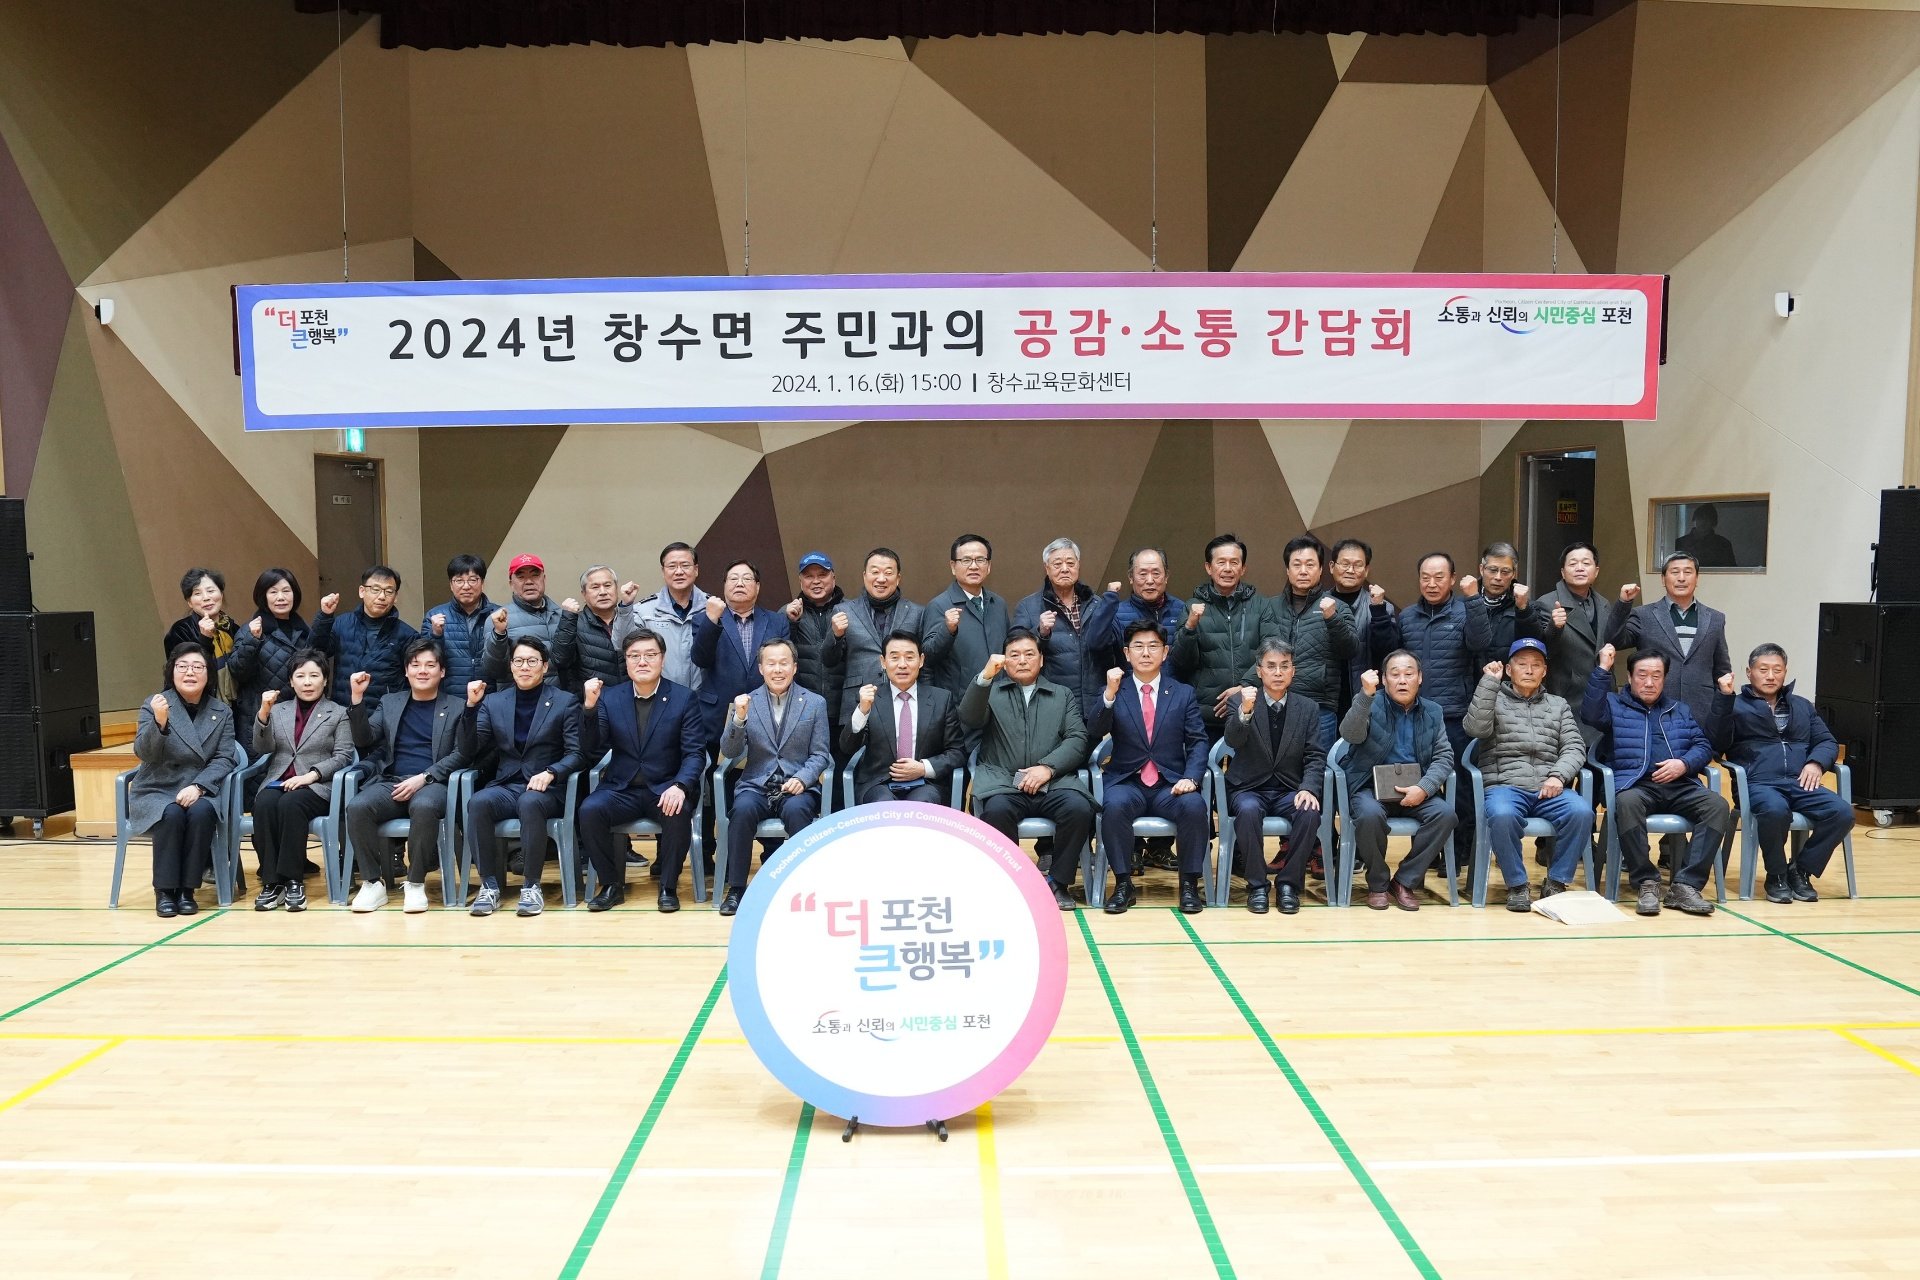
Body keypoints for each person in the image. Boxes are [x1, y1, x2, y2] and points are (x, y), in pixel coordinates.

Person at [1581, 646, 1730, 917]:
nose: (1649, 682)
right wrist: (1603, 669)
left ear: (1664, 679)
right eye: (1642, 675)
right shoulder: (1614, 705)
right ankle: (1646, 882)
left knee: (1717, 806)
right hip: (1636, 786)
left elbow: (1702, 746)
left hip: (1680, 786)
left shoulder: (1679, 710)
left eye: (1656, 676)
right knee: (1627, 803)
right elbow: (1590, 714)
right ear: (1629, 677)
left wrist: (1684, 764)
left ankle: (1685, 885)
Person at [959, 628, 1094, 911]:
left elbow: (1077, 738)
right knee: (996, 811)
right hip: (1004, 782)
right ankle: (1016, 883)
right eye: (1014, 655)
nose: (1022, 660)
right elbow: (969, 718)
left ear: (1041, 660)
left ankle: (1058, 883)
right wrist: (985, 677)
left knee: (1079, 809)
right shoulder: (991, 693)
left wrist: (1047, 768)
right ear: (1004, 661)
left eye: (1029, 654)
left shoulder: (1061, 694)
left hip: (1053, 782)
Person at [1708, 644, 1851, 903]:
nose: (1770, 676)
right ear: (1749, 672)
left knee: (1842, 813)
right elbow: (1716, 743)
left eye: (1777, 670)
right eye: (1763, 670)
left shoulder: (1802, 706)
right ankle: (1776, 875)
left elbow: (1827, 742)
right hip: (1757, 784)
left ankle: (1801, 870)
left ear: (1785, 672)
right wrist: (1724, 698)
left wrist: (1816, 763)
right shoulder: (1735, 705)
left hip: (1800, 782)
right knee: (1775, 810)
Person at [577, 630, 708, 913]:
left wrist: (681, 786)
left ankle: (668, 887)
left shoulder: (683, 698)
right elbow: (591, 748)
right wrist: (589, 708)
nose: (642, 661)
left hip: (665, 787)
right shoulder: (610, 697)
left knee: (677, 811)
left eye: (650, 655)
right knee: (589, 810)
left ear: (662, 659)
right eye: (634, 656)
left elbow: (695, 753)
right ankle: (611, 885)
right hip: (621, 789)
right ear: (625, 661)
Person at [456, 637, 585, 918]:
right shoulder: (494, 702)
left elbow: (577, 753)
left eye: (532, 661)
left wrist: (552, 772)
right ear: (511, 666)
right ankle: (489, 885)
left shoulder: (565, 702)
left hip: (548, 789)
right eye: (519, 661)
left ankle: (531, 886)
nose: (525, 667)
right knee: (478, 802)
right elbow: (469, 749)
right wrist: (471, 707)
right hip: (508, 784)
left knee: (530, 802)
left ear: (545, 666)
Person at [1461, 639, 1593, 911]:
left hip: (1549, 787)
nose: (1529, 670)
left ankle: (1557, 881)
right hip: (1504, 786)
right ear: (1509, 670)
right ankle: (1517, 885)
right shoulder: (1493, 698)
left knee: (1581, 812)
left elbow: (1574, 747)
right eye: (1522, 664)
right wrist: (1488, 684)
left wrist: (1558, 776)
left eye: (1536, 665)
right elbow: (1475, 729)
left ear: (1545, 671)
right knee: (1502, 815)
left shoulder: (1558, 705)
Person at [1385, 552, 1492, 878]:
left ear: (1452, 579)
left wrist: (1474, 600)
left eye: (1439, 577)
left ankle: (1458, 854)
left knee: (1459, 787)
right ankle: (1426, 853)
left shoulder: (1466, 610)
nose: (1432, 583)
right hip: (1414, 714)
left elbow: (1481, 642)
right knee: (1417, 784)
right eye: (1425, 577)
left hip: (1455, 713)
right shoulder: (1407, 617)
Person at [345, 636, 471, 913]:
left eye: (430, 665)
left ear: (442, 671)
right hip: (392, 782)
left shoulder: (457, 706)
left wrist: (424, 777)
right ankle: (372, 883)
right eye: (415, 665)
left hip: (433, 783)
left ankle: (415, 884)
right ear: (406, 671)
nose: (422, 671)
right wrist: (357, 698)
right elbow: (364, 740)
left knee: (424, 806)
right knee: (358, 807)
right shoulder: (390, 702)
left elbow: (462, 753)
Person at [1092, 619, 1211, 915]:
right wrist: (1109, 694)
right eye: (1138, 647)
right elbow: (1094, 730)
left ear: (1165, 652)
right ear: (1126, 653)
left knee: (1194, 806)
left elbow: (1198, 741)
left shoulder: (1182, 693)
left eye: (1153, 646)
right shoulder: (1115, 690)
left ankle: (1189, 885)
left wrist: (1191, 777)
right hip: (1127, 781)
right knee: (1113, 806)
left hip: (1169, 785)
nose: (1146, 653)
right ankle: (1123, 884)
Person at [716, 638, 832, 916]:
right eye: (771, 664)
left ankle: (803, 888)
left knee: (798, 812)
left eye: (783, 663)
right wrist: (739, 719)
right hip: (756, 785)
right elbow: (729, 751)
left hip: (796, 786)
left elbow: (821, 754)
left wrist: (803, 779)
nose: (777, 670)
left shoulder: (814, 703)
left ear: (794, 667)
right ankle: (736, 888)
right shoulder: (745, 702)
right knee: (741, 811)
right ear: (761, 668)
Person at [1338, 652, 1456, 912]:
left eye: (1409, 674)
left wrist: (1424, 788)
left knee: (1445, 815)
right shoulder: (1369, 702)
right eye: (1395, 674)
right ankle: (1377, 883)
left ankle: (1403, 881)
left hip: (1415, 789)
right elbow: (1350, 734)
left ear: (1420, 678)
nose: (1402, 680)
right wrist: (1365, 696)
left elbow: (1444, 756)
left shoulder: (1433, 711)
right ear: (1384, 679)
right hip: (1369, 787)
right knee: (1369, 815)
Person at [130, 645, 239, 917]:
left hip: (200, 787)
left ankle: (187, 890)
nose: (190, 672)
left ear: (208, 674)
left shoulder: (222, 711)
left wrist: (199, 786)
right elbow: (144, 753)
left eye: (197, 667)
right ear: (172, 672)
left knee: (202, 812)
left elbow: (225, 758)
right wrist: (160, 723)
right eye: (182, 666)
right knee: (171, 814)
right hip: (157, 787)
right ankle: (165, 891)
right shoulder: (155, 704)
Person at [1222, 639, 1327, 916]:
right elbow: (1232, 740)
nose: (1278, 672)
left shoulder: (1307, 708)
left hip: (1289, 789)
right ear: (1259, 671)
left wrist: (1309, 788)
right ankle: (1257, 886)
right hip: (1248, 788)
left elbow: (1315, 755)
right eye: (1271, 666)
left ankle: (1288, 885)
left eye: (1284, 666)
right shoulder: (1240, 700)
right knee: (1247, 811)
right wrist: (1245, 711)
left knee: (1309, 812)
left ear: (1293, 670)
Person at [247, 649, 352, 913]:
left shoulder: (338, 713)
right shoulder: (278, 710)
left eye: (314, 676)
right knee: (264, 803)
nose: (307, 682)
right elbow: (262, 747)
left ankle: (293, 881)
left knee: (291, 804)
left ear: (325, 680)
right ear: (291, 681)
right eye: (300, 676)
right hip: (279, 780)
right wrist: (263, 713)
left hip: (317, 786)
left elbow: (343, 756)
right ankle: (272, 882)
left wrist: (311, 775)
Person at [840, 629, 964, 805]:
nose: (902, 664)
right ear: (883, 662)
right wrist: (862, 711)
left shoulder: (941, 699)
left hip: (925, 783)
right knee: (884, 806)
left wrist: (923, 768)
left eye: (909, 657)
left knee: (921, 805)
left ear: (921, 660)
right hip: (879, 784)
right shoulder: (870, 698)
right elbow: (847, 747)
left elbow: (957, 752)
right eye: (895, 657)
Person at [1255, 536, 1355, 749]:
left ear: (1321, 570)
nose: (1303, 571)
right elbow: (1257, 652)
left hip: (1320, 705)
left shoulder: (1338, 607)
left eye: (1310, 565)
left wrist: (1332, 619)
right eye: (1296, 565)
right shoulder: (1269, 607)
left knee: (1318, 765)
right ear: (1287, 570)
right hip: (1274, 702)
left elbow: (1350, 650)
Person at [1172, 533, 1275, 740]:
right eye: (1221, 562)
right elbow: (1182, 662)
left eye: (1234, 562)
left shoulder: (1261, 606)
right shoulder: (1192, 607)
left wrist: (1244, 687)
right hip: (1207, 714)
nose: (1228, 568)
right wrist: (1190, 627)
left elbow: (1272, 654)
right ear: (1208, 567)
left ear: (1243, 568)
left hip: (1251, 708)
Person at [1011, 537, 1117, 724]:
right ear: (1047, 568)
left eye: (1070, 563)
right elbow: (1014, 651)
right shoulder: (1028, 607)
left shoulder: (1097, 604)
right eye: (1057, 564)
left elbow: (1112, 652)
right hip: (1052, 706)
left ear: (1079, 565)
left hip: (1095, 704)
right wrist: (1040, 632)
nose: (1065, 569)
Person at [830, 548, 926, 724]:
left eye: (888, 573)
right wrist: (836, 636)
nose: (881, 579)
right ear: (864, 575)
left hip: (905, 702)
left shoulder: (917, 612)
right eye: (875, 572)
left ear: (898, 578)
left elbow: (924, 662)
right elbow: (829, 660)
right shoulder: (844, 611)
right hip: (857, 701)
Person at [616, 542, 713, 715]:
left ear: (696, 570)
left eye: (685, 565)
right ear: (663, 571)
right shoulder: (645, 610)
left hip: (704, 703)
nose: (679, 571)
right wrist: (625, 607)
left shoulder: (713, 608)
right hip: (660, 702)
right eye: (672, 566)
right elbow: (621, 644)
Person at [921, 534, 1012, 715]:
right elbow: (927, 657)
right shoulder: (939, 605)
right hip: (959, 706)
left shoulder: (998, 604)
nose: (974, 566)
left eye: (980, 560)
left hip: (999, 703)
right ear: (953, 566)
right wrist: (948, 630)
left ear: (989, 566)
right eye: (966, 560)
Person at [783, 552, 848, 805]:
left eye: (822, 574)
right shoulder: (789, 613)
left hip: (841, 710)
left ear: (834, 577)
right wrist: (790, 623)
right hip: (802, 712)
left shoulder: (849, 611)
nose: (816, 581)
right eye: (809, 576)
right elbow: (777, 658)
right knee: (804, 776)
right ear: (800, 581)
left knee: (841, 776)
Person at [310, 565, 419, 704]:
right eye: (375, 589)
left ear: (395, 597)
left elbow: (413, 681)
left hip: (384, 712)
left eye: (389, 591)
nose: (382, 596)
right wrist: (325, 616)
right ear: (362, 591)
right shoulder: (342, 623)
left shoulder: (408, 635)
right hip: (343, 708)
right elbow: (315, 652)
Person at [1530, 542, 1607, 732]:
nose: (1580, 568)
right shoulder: (1547, 603)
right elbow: (1542, 652)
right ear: (1563, 573)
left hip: (1600, 694)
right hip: (1567, 696)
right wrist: (1554, 627)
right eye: (1573, 564)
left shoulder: (1604, 604)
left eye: (1586, 563)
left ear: (1596, 571)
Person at [228, 567, 312, 735]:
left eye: (286, 591)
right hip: (261, 717)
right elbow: (238, 672)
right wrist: (252, 639)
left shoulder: (305, 631)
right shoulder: (249, 630)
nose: (280, 597)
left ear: (294, 595)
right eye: (273, 592)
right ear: (263, 596)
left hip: (300, 717)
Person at [1326, 537, 1398, 716]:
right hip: (1326, 699)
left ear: (1366, 570)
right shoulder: (1317, 605)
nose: (1350, 570)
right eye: (1345, 564)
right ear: (1331, 567)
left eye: (1358, 565)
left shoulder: (1382, 607)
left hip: (1367, 697)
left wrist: (1378, 610)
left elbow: (1388, 654)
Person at [164, 568, 244, 709]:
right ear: (189, 602)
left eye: (211, 591)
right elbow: (184, 674)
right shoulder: (180, 630)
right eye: (197, 593)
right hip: (198, 707)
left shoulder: (234, 629)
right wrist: (205, 639)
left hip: (237, 706)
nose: (206, 597)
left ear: (221, 594)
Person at [484, 553, 566, 687]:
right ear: (511, 584)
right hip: (517, 696)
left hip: (558, 696)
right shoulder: (499, 619)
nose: (529, 582)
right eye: (521, 577)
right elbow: (494, 671)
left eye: (535, 575)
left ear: (544, 579)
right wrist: (499, 634)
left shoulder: (561, 615)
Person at [421, 554, 494, 693]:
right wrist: (436, 634)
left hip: (489, 694)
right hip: (449, 696)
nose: (466, 586)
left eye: (473, 580)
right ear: (451, 585)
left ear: (482, 583)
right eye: (459, 580)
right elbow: (426, 659)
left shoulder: (497, 615)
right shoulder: (434, 616)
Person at [556, 564, 626, 691]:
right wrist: (568, 618)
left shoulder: (629, 619)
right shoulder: (573, 623)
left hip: (630, 697)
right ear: (584, 594)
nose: (603, 592)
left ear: (616, 589)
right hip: (592, 699)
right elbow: (560, 660)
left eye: (608, 585)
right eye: (595, 587)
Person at [1471, 541, 1541, 668]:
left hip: (1508, 678)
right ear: (1481, 569)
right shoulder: (1467, 604)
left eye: (1505, 571)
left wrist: (1523, 610)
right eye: (1492, 570)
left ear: (1514, 573)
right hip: (1471, 679)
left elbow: (1533, 648)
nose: (1498, 577)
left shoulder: (1527, 607)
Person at [1106, 546, 1186, 647]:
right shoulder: (1116, 614)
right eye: (1143, 574)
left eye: (1156, 573)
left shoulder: (1182, 610)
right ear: (1131, 577)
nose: (1150, 581)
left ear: (1166, 576)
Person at [1675, 503, 1737, 568]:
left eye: (1708, 519)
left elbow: (1730, 570)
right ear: (1694, 519)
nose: (1703, 522)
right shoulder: (1680, 543)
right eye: (1700, 518)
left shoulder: (1723, 544)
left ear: (1713, 522)